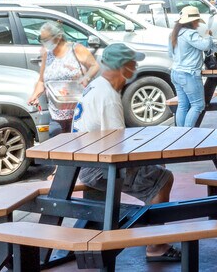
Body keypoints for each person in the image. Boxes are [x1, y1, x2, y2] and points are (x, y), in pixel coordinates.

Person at [72, 43, 180, 263]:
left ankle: (149, 229)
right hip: (97, 168)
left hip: (86, 159)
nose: (135, 69)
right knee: (162, 177)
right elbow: (118, 148)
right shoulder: (108, 96)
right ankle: (156, 245)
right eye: (133, 64)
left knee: (156, 170)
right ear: (123, 67)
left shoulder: (96, 86)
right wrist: (155, 158)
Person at [28, 21, 99, 137]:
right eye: (42, 39)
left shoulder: (75, 49)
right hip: (56, 113)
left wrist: (86, 78)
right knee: (57, 145)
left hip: (78, 112)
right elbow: (41, 81)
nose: (44, 42)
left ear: (59, 36)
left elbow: (94, 66)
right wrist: (34, 96)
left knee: (79, 145)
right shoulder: (47, 54)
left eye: (47, 39)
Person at [168, 6, 217, 127]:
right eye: (196, 21)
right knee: (198, 105)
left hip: (175, 72)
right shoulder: (190, 34)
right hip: (189, 74)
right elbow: (205, 46)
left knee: (183, 105)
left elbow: (170, 54)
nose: (198, 24)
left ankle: (181, 135)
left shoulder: (174, 34)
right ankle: (187, 134)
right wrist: (208, 36)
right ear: (192, 21)